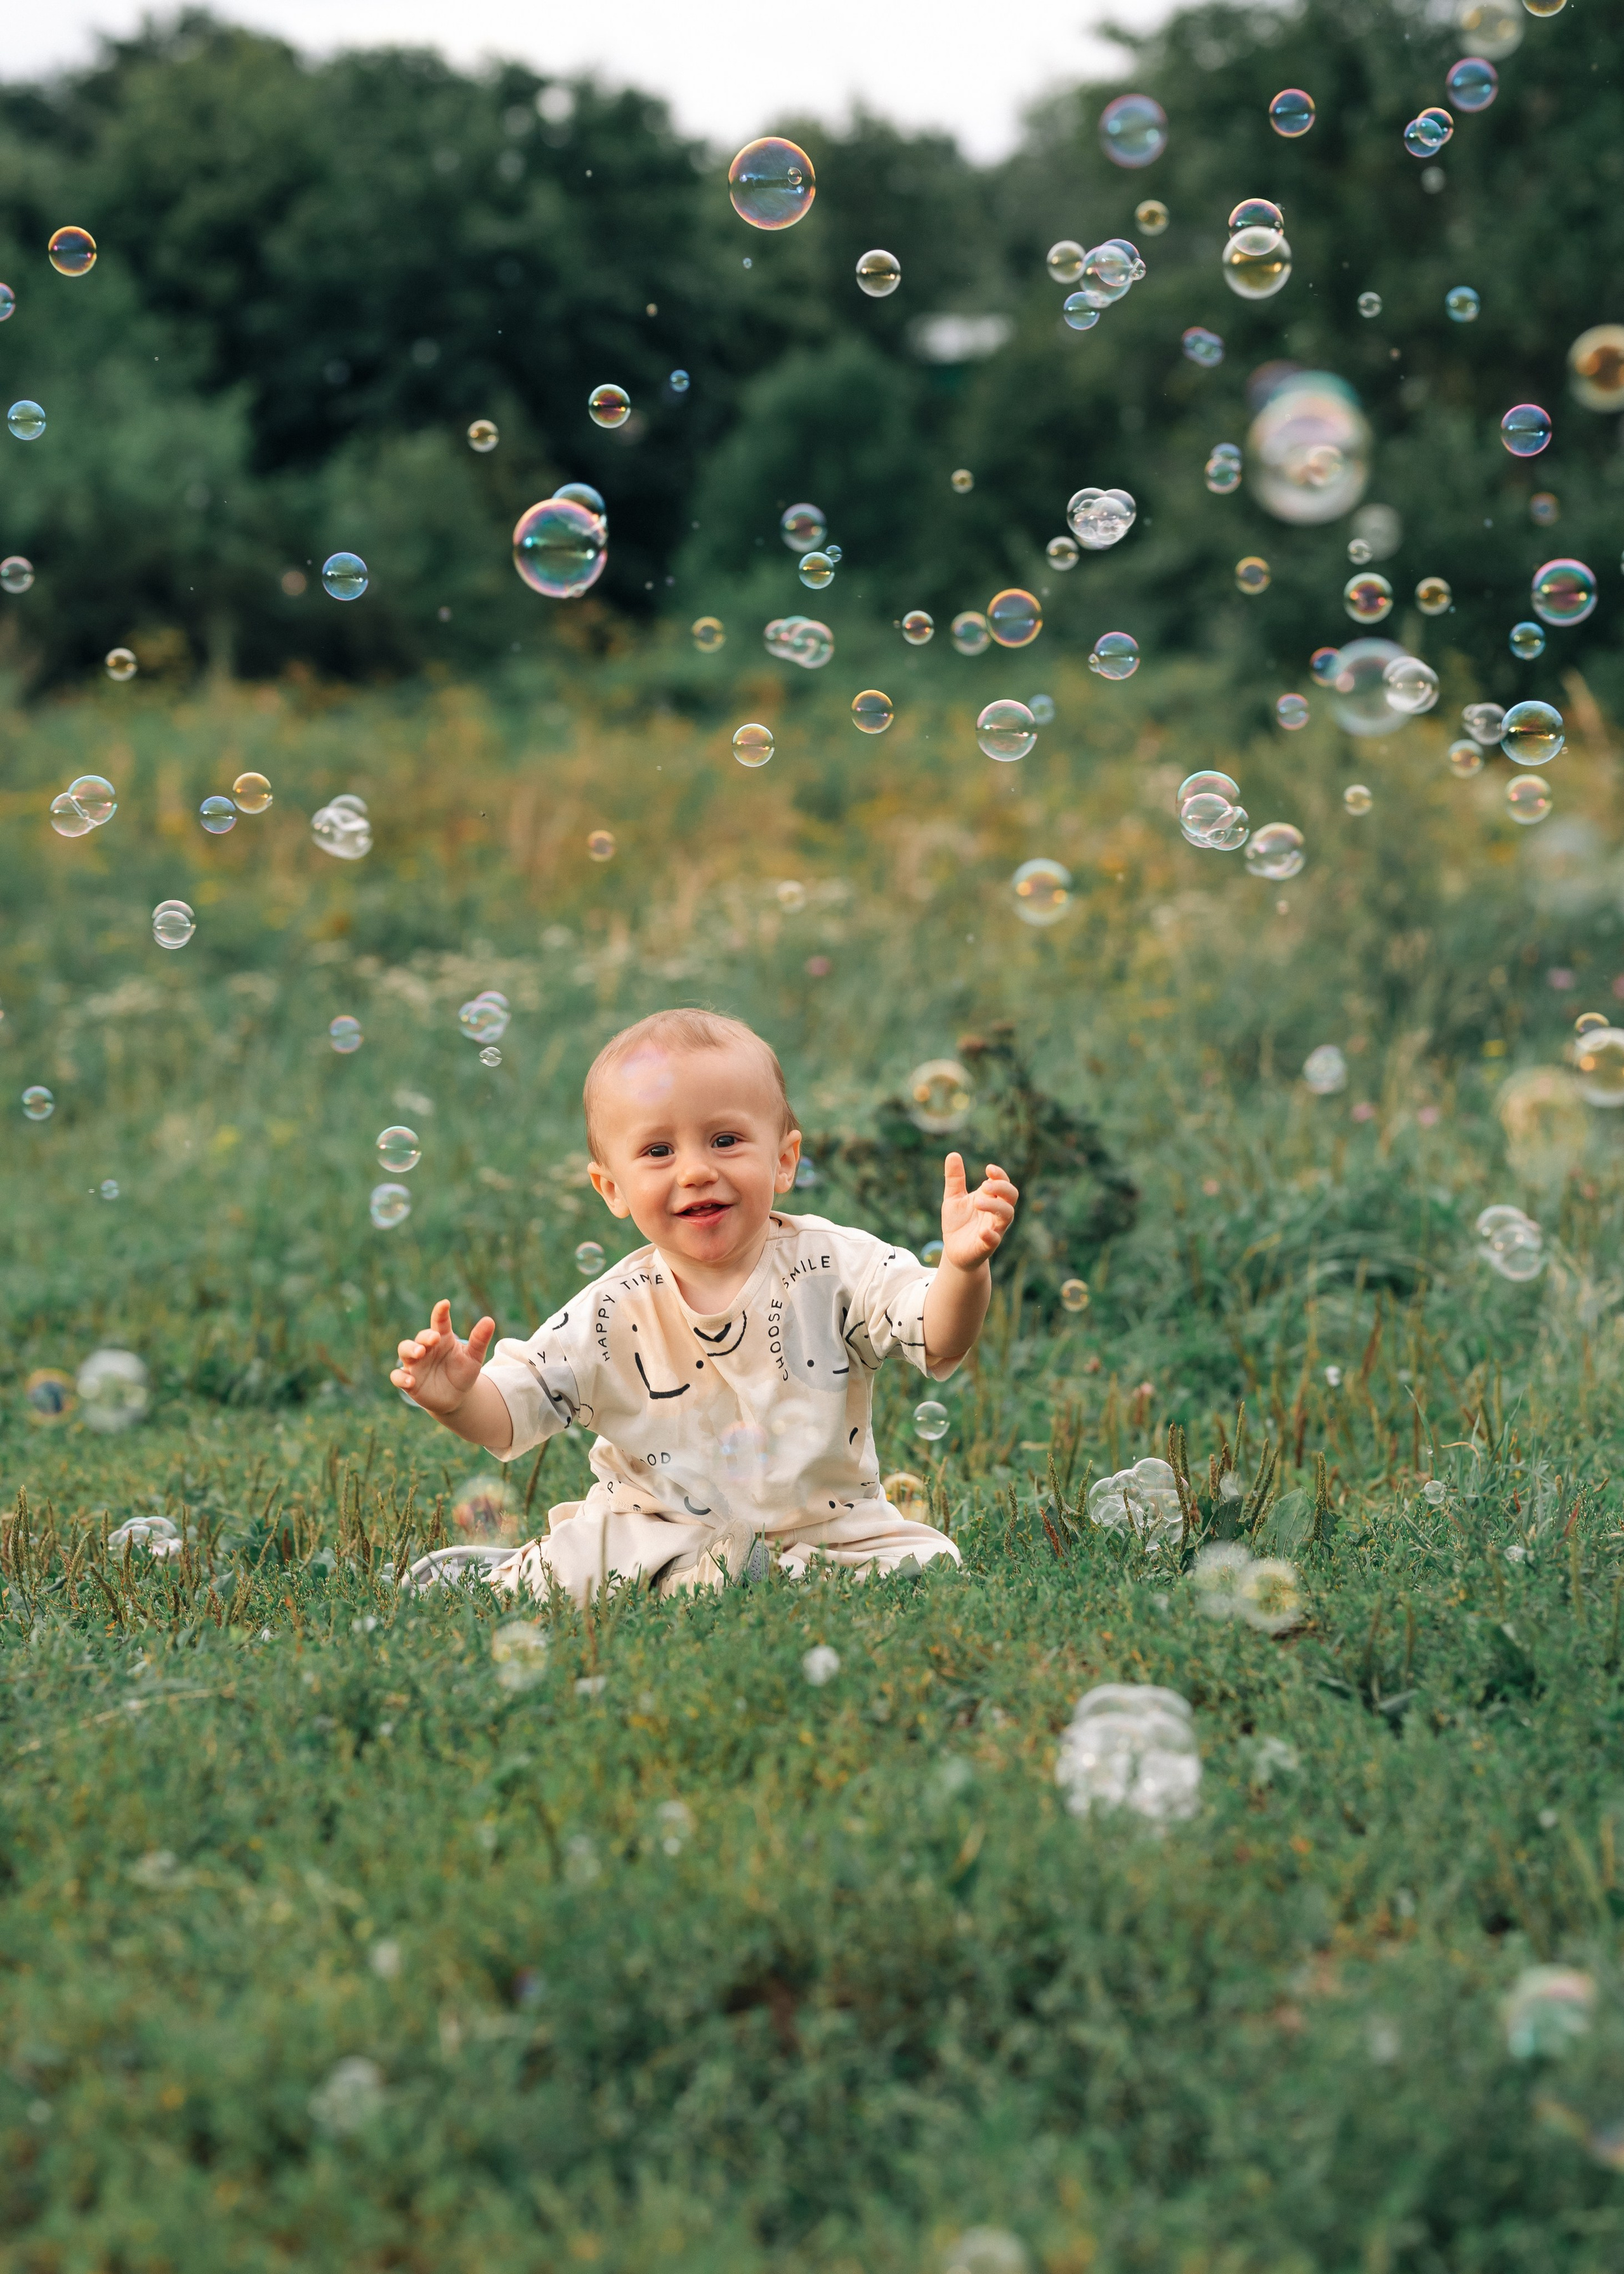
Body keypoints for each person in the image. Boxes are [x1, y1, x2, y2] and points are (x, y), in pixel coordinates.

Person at [391, 1008, 1018, 1603]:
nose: (694, 1170)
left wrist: (962, 1269)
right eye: (658, 1151)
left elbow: (938, 1332)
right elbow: (513, 1414)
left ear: (783, 1161)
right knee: (584, 1561)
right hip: (654, 1521)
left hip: (825, 1525)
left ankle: (711, 1580)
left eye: (724, 1140)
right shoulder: (612, 1310)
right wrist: (458, 1399)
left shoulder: (834, 1266)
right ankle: (510, 1574)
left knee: (928, 1561)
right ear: (612, 1188)